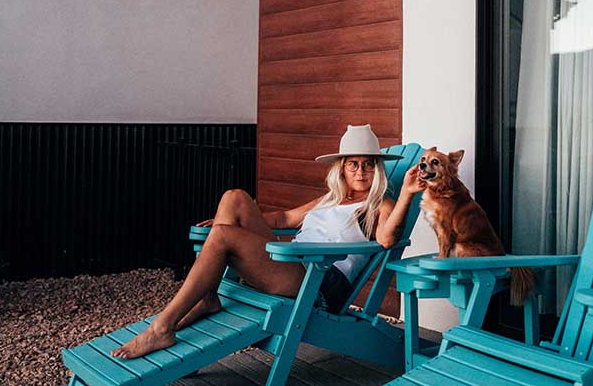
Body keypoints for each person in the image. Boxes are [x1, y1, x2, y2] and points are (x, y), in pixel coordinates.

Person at [112, 125, 425, 359]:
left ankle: (161, 328)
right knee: (234, 198)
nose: (360, 171)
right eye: (353, 164)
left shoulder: (380, 205)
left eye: (369, 164)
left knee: (222, 237)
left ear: (378, 168)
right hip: (292, 265)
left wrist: (408, 194)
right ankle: (207, 298)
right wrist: (234, 220)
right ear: (341, 168)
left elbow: (386, 239)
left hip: (317, 281)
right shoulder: (331, 198)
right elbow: (286, 220)